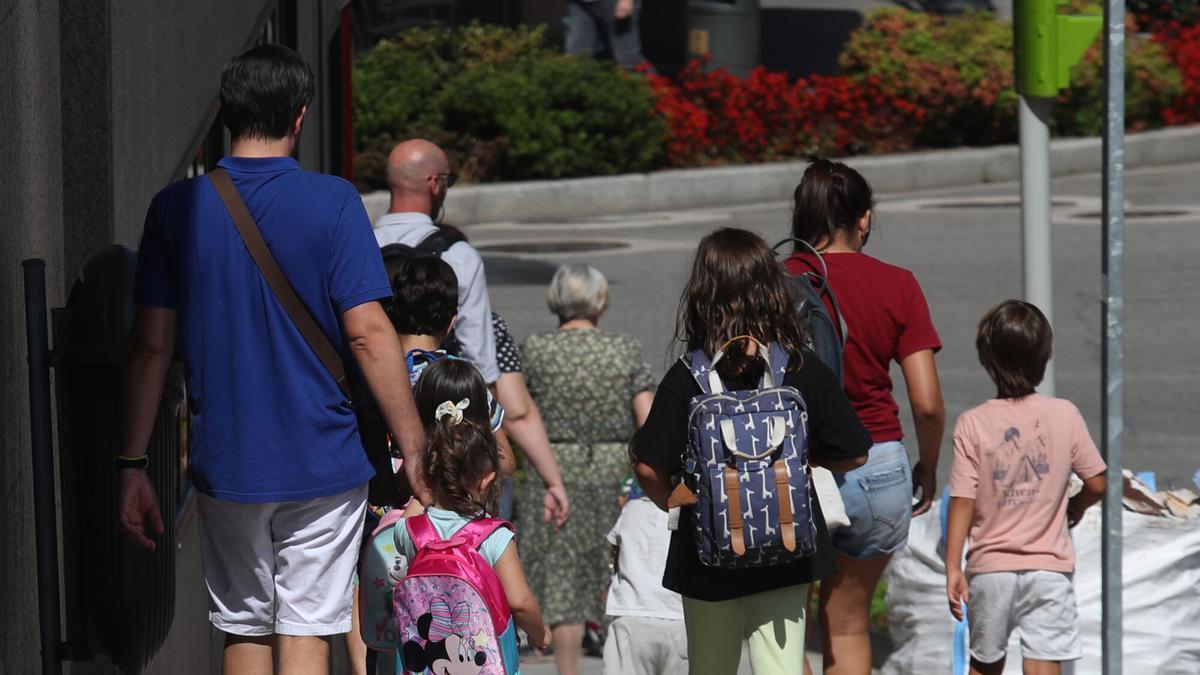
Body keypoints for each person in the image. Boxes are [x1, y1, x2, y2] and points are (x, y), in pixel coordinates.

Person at [118, 45, 425, 675]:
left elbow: (150, 346)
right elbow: (368, 332)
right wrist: (413, 445)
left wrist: (132, 463)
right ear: (301, 117)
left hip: (228, 458)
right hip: (324, 456)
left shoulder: (174, 209)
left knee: (244, 630)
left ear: (226, 113)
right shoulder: (335, 201)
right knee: (308, 631)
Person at [633, 227, 872, 674]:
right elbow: (856, 450)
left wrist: (678, 502)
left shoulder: (687, 378)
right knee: (780, 666)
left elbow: (648, 466)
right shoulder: (799, 369)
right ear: (771, 290)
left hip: (707, 553)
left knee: (710, 666)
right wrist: (802, 461)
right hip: (786, 544)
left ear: (702, 294)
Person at [786, 157, 946, 675]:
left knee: (784, 627)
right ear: (865, 219)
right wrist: (929, 465)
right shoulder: (897, 283)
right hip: (878, 465)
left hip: (792, 466)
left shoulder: (776, 283)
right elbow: (926, 401)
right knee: (848, 624)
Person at [944, 300, 1107, 675]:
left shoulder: (972, 423)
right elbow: (1097, 481)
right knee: (1043, 663)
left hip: (990, 570)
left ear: (987, 359)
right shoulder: (1064, 414)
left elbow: (962, 499)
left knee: (984, 663)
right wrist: (1076, 506)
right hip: (1049, 570)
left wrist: (953, 565)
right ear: (1045, 357)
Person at [519, 264, 656, 675]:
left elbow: (521, 413)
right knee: (612, 573)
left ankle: (567, 671)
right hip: (614, 471)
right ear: (600, 301)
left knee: (563, 583)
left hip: (553, 472)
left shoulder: (535, 350)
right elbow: (647, 423)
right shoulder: (625, 349)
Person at [394, 358, 553, 667]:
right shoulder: (494, 537)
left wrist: (426, 486)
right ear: (488, 476)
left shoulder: (413, 531)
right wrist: (541, 633)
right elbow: (519, 601)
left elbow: (405, 524)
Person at [373, 139, 498, 385]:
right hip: (438, 401)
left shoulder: (357, 247)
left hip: (370, 395)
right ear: (434, 183)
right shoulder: (458, 256)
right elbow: (478, 358)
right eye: (448, 181)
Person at [602, 474, 687, 675]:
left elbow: (615, 553)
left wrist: (610, 577)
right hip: (680, 618)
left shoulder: (631, 509)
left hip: (632, 616)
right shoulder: (693, 512)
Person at [565, 0, 650, 71]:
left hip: (614, 3)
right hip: (580, 4)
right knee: (577, 58)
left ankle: (656, 88)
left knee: (628, 59)